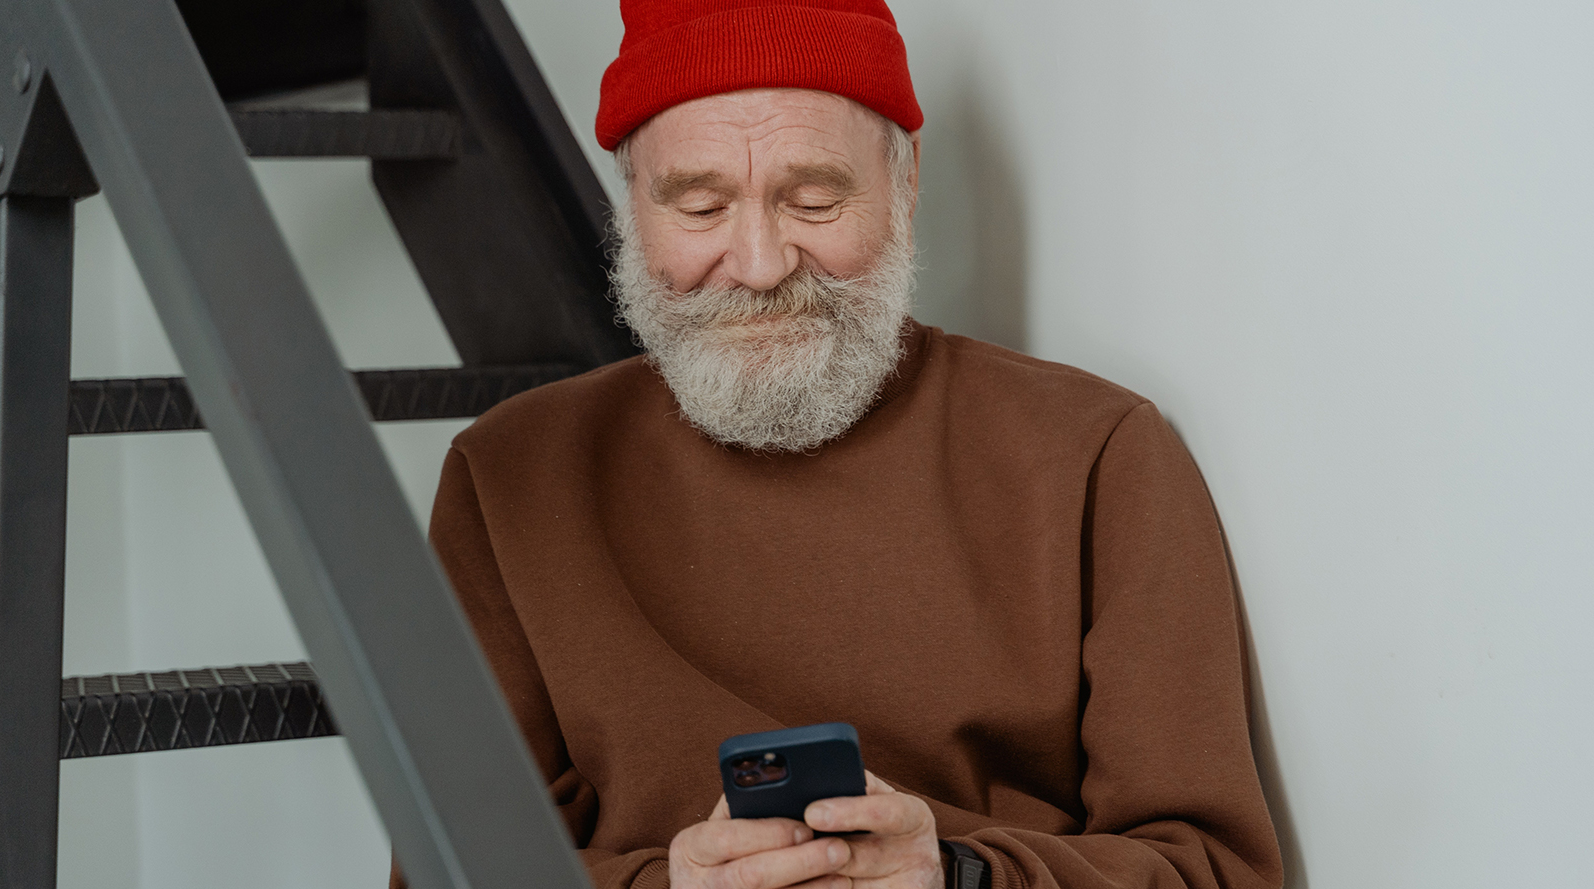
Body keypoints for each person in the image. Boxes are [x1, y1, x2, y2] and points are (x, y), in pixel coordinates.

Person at [409, 1, 1284, 887]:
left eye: (814, 200)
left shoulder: (1097, 454)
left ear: (904, 185)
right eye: (702, 207)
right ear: (633, 208)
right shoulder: (508, 476)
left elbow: (1215, 870)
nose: (758, 263)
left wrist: (961, 876)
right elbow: (449, 871)